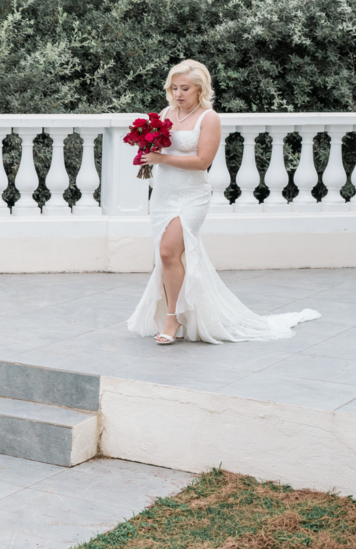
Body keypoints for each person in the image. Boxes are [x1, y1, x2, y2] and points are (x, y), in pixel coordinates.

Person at [128, 59, 319, 344]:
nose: (178, 93)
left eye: (185, 88)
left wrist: (160, 158)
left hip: (192, 196)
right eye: (174, 87)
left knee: (169, 252)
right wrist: (146, 146)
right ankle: (177, 312)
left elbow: (203, 161)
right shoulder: (167, 113)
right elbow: (157, 146)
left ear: (199, 89)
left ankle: (173, 318)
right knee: (167, 256)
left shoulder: (209, 118)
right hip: (164, 194)